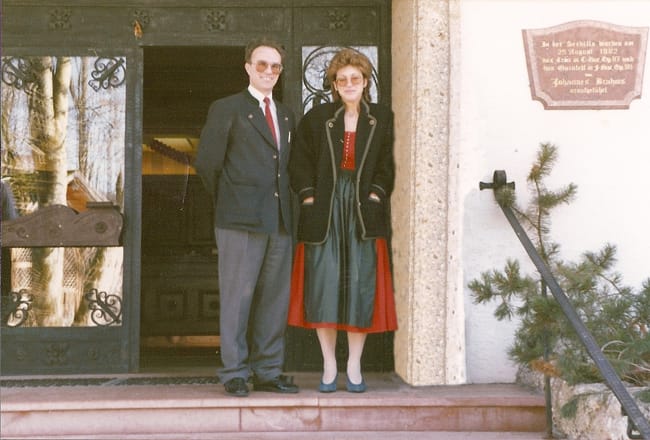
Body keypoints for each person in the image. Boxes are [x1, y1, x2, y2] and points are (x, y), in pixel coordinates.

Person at [287, 48, 397, 393]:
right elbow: (299, 162)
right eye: (342, 79)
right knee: (325, 286)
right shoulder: (317, 118)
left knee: (360, 288)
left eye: (356, 78)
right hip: (325, 210)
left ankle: (354, 366)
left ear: (365, 82)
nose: (349, 84)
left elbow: (387, 163)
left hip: (363, 212)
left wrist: (376, 194)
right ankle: (329, 365)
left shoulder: (381, 118)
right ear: (334, 85)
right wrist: (309, 197)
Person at [194, 37, 298, 397]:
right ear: (248, 68)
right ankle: (234, 372)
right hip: (239, 221)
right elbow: (207, 164)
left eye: (275, 66)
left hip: (280, 221)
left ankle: (268, 370)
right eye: (262, 64)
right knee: (237, 298)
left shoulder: (285, 114)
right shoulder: (227, 108)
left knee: (274, 300)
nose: (269, 71)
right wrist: (232, 201)